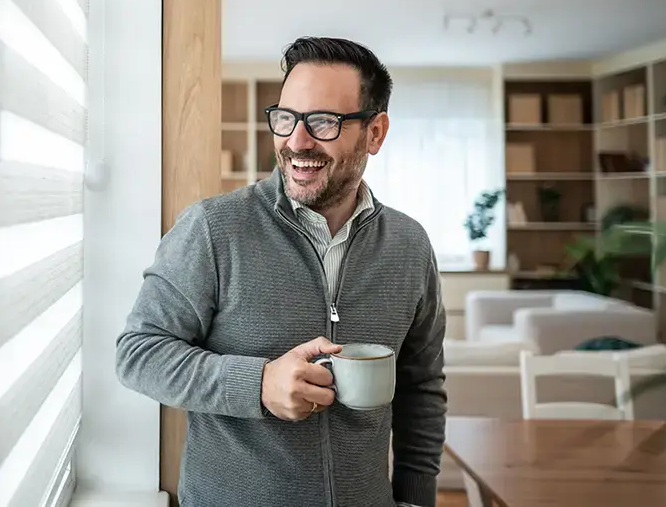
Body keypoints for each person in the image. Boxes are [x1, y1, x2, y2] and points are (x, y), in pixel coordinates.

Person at [114, 36, 447, 507]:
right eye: (286, 118)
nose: (296, 141)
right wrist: (258, 384)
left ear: (375, 133)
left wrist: (415, 496)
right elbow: (138, 353)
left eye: (324, 121)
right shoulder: (212, 228)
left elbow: (421, 385)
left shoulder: (409, 245)